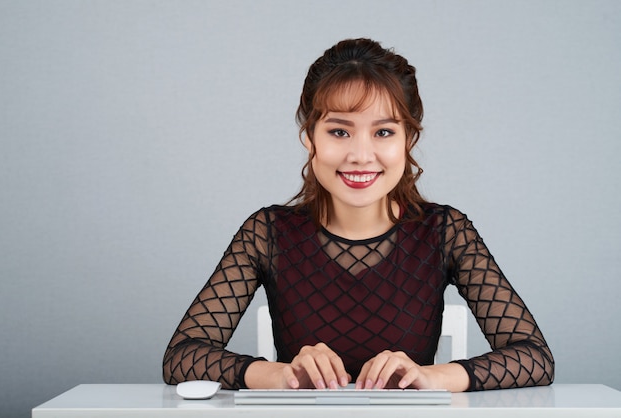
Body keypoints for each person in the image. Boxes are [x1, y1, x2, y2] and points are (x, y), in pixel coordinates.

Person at [162, 38, 555, 392]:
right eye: (339, 132)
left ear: (408, 140)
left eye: (383, 132)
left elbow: (535, 357)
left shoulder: (444, 231)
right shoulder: (268, 232)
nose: (361, 155)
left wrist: (433, 376)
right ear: (309, 138)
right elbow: (182, 356)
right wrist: (278, 375)